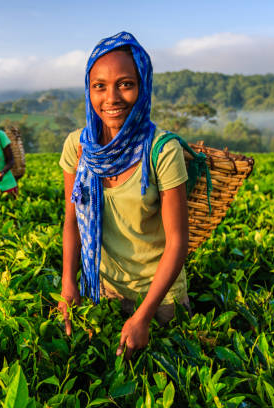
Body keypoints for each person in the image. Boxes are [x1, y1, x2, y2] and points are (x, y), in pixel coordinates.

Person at [58, 32, 190, 360]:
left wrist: (143, 316)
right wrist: (68, 285)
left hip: (160, 301)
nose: (111, 98)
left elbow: (177, 242)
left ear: (142, 86)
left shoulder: (162, 150)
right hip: (105, 292)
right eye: (99, 86)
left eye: (125, 84)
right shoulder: (79, 147)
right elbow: (71, 221)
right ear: (88, 91)